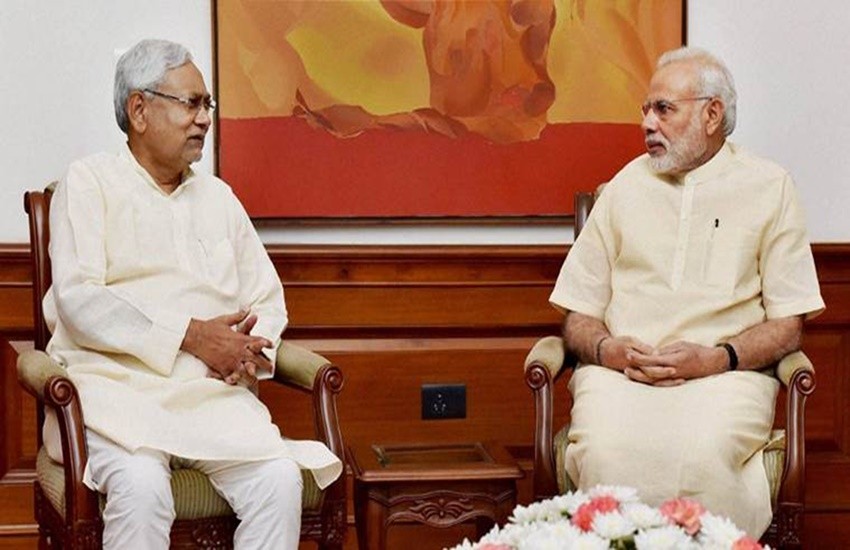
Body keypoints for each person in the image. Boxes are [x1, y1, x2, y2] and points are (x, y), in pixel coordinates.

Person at [42, 39, 342, 549]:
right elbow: (80, 300)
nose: (204, 119)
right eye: (191, 104)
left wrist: (247, 355)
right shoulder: (89, 183)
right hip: (118, 397)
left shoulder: (218, 198)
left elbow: (267, 300)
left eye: (208, 105)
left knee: (278, 481)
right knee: (141, 487)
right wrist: (192, 336)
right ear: (139, 110)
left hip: (212, 398)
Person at [549, 46, 824, 537]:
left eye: (663, 109)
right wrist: (609, 350)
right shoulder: (623, 188)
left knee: (704, 457)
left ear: (712, 114)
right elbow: (578, 314)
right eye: (646, 110)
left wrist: (716, 358)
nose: (647, 124)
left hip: (725, 376)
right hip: (622, 376)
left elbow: (788, 324)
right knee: (608, 453)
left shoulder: (770, 187)